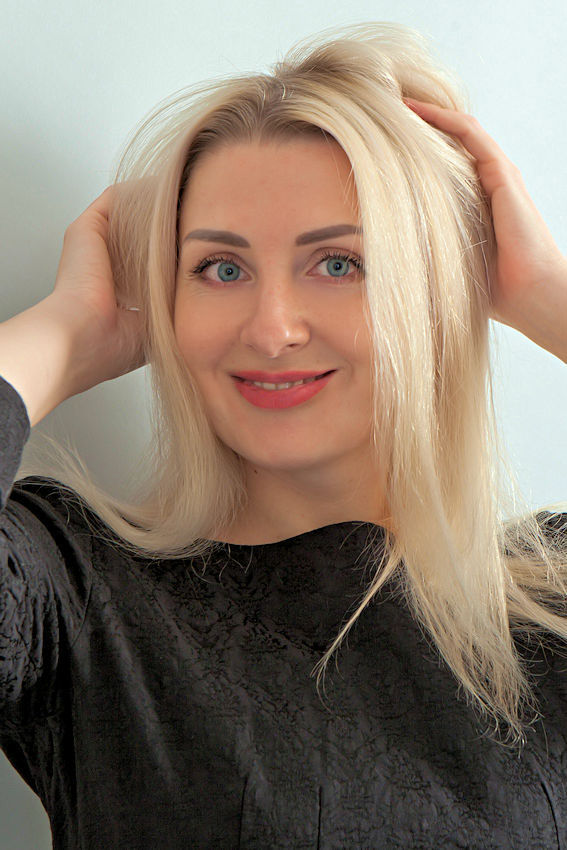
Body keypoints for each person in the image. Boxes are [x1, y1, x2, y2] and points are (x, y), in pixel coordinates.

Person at [1, 20, 567, 849]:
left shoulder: (550, 600)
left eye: (339, 263)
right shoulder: (75, 592)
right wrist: (64, 333)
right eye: (221, 269)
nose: (271, 330)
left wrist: (544, 290)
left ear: (435, 293)